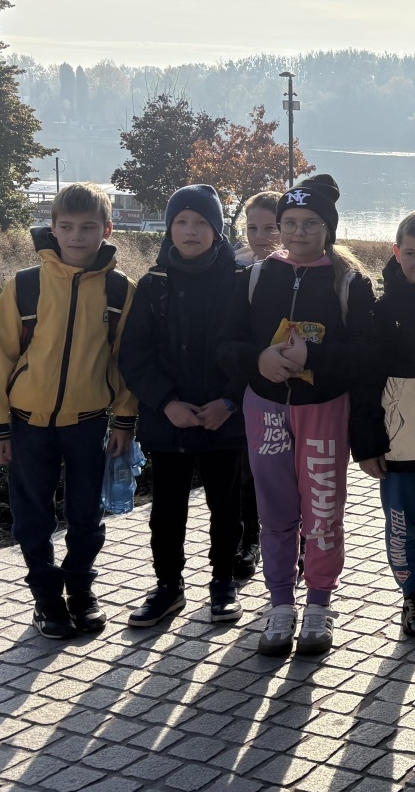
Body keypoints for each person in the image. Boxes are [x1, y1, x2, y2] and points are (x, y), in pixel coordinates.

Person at [218, 173, 377, 658]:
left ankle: (319, 604)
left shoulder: (350, 282)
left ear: (328, 228)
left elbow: (366, 356)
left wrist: (315, 359)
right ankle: (280, 603)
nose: (299, 232)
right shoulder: (254, 277)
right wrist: (257, 361)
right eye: (289, 222)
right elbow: (226, 344)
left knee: (323, 514)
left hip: (323, 411)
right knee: (275, 513)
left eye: (311, 223)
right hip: (265, 409)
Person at [0, 183, 137, 639]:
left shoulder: (119, 290)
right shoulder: (26, 285)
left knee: (86, 515)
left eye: (88, 227)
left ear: (107, 229)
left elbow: (127, 361)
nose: (76, 236)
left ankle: (81, 591)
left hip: (89, 425)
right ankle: (46, 598)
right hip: (27, 424)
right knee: (33, 517)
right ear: (52, 228)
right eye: (66, 227)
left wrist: (125, 420)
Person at [118, 184, 249, 629]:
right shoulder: (153, 285)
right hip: (168, 422)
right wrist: (166, 402)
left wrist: (230, 401)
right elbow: (134, 355)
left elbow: (251, 350)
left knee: (225, 507)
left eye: (201, 222)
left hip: (223, 420)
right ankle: (168, 586)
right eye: (181, 222)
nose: (190, 231)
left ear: (217, 230)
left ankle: (223, 583)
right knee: (166, 511)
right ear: (169, 228)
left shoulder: (240, 282)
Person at [350, 210, 415, 639]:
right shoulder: (379, 312)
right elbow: (363, 381)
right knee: (402, 528)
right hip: (400, 445)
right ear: (396, 252)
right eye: (411, 253)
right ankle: (414, 595)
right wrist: (366, 443)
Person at [233, 188, 282, 579]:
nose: (260, 237)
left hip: (292, 392)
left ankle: (299, 541)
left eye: (270, 228)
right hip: (246, 387)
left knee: (291, 471)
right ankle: (249, 539)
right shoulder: (236, 271)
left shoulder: (305, 273)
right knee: (248, 471)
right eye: (253, 228)